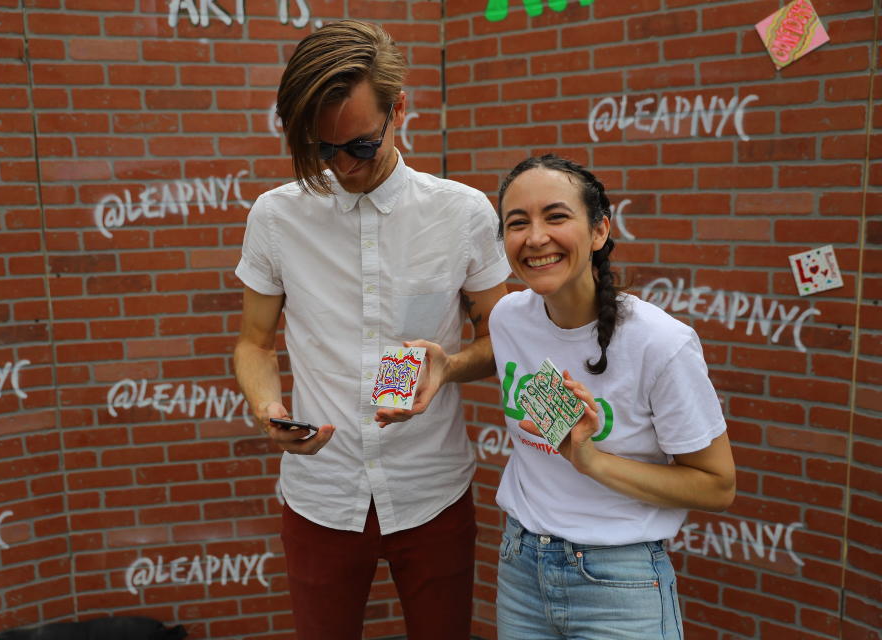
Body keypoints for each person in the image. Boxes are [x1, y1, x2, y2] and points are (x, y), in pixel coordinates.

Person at [232, 20, 510, 640]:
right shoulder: (277, 216)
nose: (340, 166)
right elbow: (254, 341)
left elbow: (502, 340)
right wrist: (266, 407)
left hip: (432, 487)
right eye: (319, 149)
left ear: (399, 110)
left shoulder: (461, 213)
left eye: (358, 146)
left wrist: (450, 366)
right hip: (321, 493)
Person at [422, 154, 736, 639]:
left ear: (598, 231)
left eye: (556, 216)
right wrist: (449, 368)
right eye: (517, 223)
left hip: (620, 581)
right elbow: (493, 356)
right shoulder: (507, 319)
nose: (535, 237)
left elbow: (717, 485)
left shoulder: (661, 343)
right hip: (522, 565)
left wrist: (592, 461)